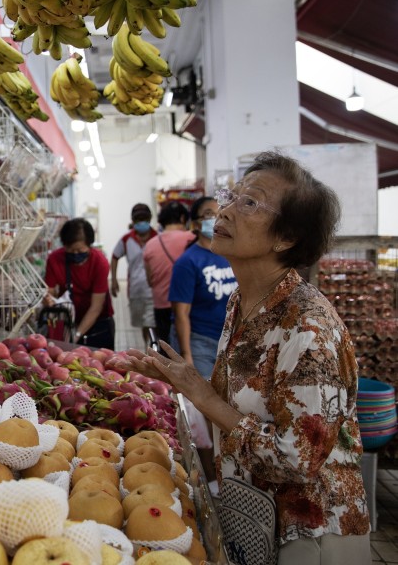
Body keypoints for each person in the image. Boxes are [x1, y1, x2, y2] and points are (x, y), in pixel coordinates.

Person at [116, 151, 370, 563]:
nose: (226, 210)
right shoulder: (243, 301)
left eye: (249, 202)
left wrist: (204, 397)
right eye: (231, 196)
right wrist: (182, 380)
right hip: (257, 518)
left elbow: (297, 459)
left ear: (285, 238)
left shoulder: (308, 329)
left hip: (311, 534)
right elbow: (245, 402)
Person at [168, 196, 236, 379]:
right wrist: (186, 356)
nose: (217, 217)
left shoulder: (231, 255)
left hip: (229, 341)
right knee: (202, 400)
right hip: (200, 342)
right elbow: (181, 314)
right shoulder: (188, 262)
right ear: (196, 224)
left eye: (220, 212)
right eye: (209, 214)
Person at [43, 218, 115, 349]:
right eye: (70, 250)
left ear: (89, 245)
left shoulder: (99, 262)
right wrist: (49, 300)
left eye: (80, 250)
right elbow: (50, 291)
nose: (75, 254)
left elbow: (96, 307)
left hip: (98, 323)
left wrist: (75, 335)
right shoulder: (55, 259)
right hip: (68, 320)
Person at [143, 201, 193, 344]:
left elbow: (150, 280)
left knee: (166, 347)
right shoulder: (192, 239)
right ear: (183, 219)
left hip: (161, 304)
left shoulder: (150, 245)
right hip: (187, 305)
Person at [110, 203, 157, 347]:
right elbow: (115, 256)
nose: (141, 222)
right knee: (144, 323)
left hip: (155, 289)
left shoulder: (158, 237)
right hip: (136, 290)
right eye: (138, 220)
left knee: (151, 322)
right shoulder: (126, 240)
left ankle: (152, 349)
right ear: (133, 221)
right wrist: (114, 280)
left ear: (150, 219)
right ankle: (148, 346)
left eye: (144, 219)